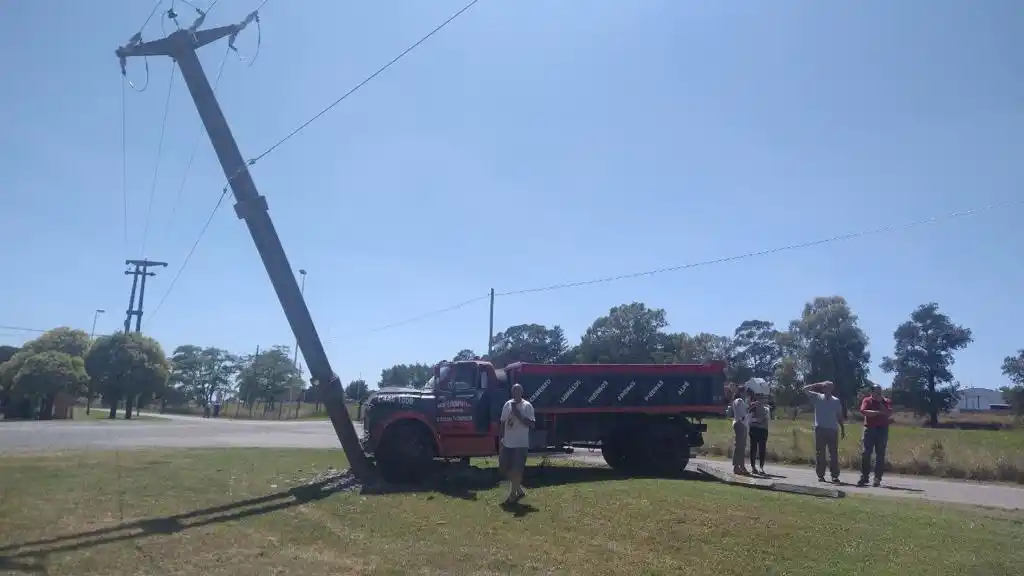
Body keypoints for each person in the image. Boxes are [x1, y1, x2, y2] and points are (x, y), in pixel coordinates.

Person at [802, 380, 845, 483]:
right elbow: (804, 390)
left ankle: (834, 476)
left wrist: (842, 428)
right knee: (820, 454)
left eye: (829, 387)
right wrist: (817, 384)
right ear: (823, 388)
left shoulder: (836, 401)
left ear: (832, 389)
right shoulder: (817, 397)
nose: (826, 389)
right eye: (825, 387)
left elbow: (839, 416)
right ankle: (821, 475)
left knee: (833, 454)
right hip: (820, 429)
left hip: (833, 430)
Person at [499, 383, 535, 504]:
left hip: (520, 444)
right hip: (507, 443)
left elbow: (532, 424)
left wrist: (517, 413)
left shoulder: (527, 406)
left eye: (518, 391)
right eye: (514, 391)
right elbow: (502, 422)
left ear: (521, 392)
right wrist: (501, 439)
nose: (516, 394)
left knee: (517, 469)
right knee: (504, 468)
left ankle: (512, 495)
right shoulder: (507, 404)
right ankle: (518, 488)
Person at [858, 385, 892, 487]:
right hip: (869, 429)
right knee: (866, 453)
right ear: (872, 392)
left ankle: (877, 478)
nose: (879, 393)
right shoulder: (867, 400)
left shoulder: (886, 401)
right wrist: (877, 412)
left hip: (882, 430)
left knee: (880, 454)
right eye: (876, 391)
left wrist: (880, 403)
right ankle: (864, 477)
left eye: (880, 391)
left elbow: (888, 413)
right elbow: (864, 411)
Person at [748, 390, 770, 475]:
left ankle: (761, 467)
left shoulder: (766, 408)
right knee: (753, 448)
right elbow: (749, 418)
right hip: (754, 429)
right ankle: (753, 467)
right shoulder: (752, 407)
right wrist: (757, 420)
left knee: (762, 449)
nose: (760, 399)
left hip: (763, 430)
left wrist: (757, 419)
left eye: (762, 398)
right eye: (759, 397)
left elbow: (766, 418)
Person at [730, 383, 751, 475]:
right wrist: (744, 415)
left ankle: (741, 466)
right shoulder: (739, 401)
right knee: (739, 446)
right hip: (740, 423)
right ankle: (737, 466)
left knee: (741, 446)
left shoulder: (740, 401)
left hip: (742, 424)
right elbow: (742, 411)